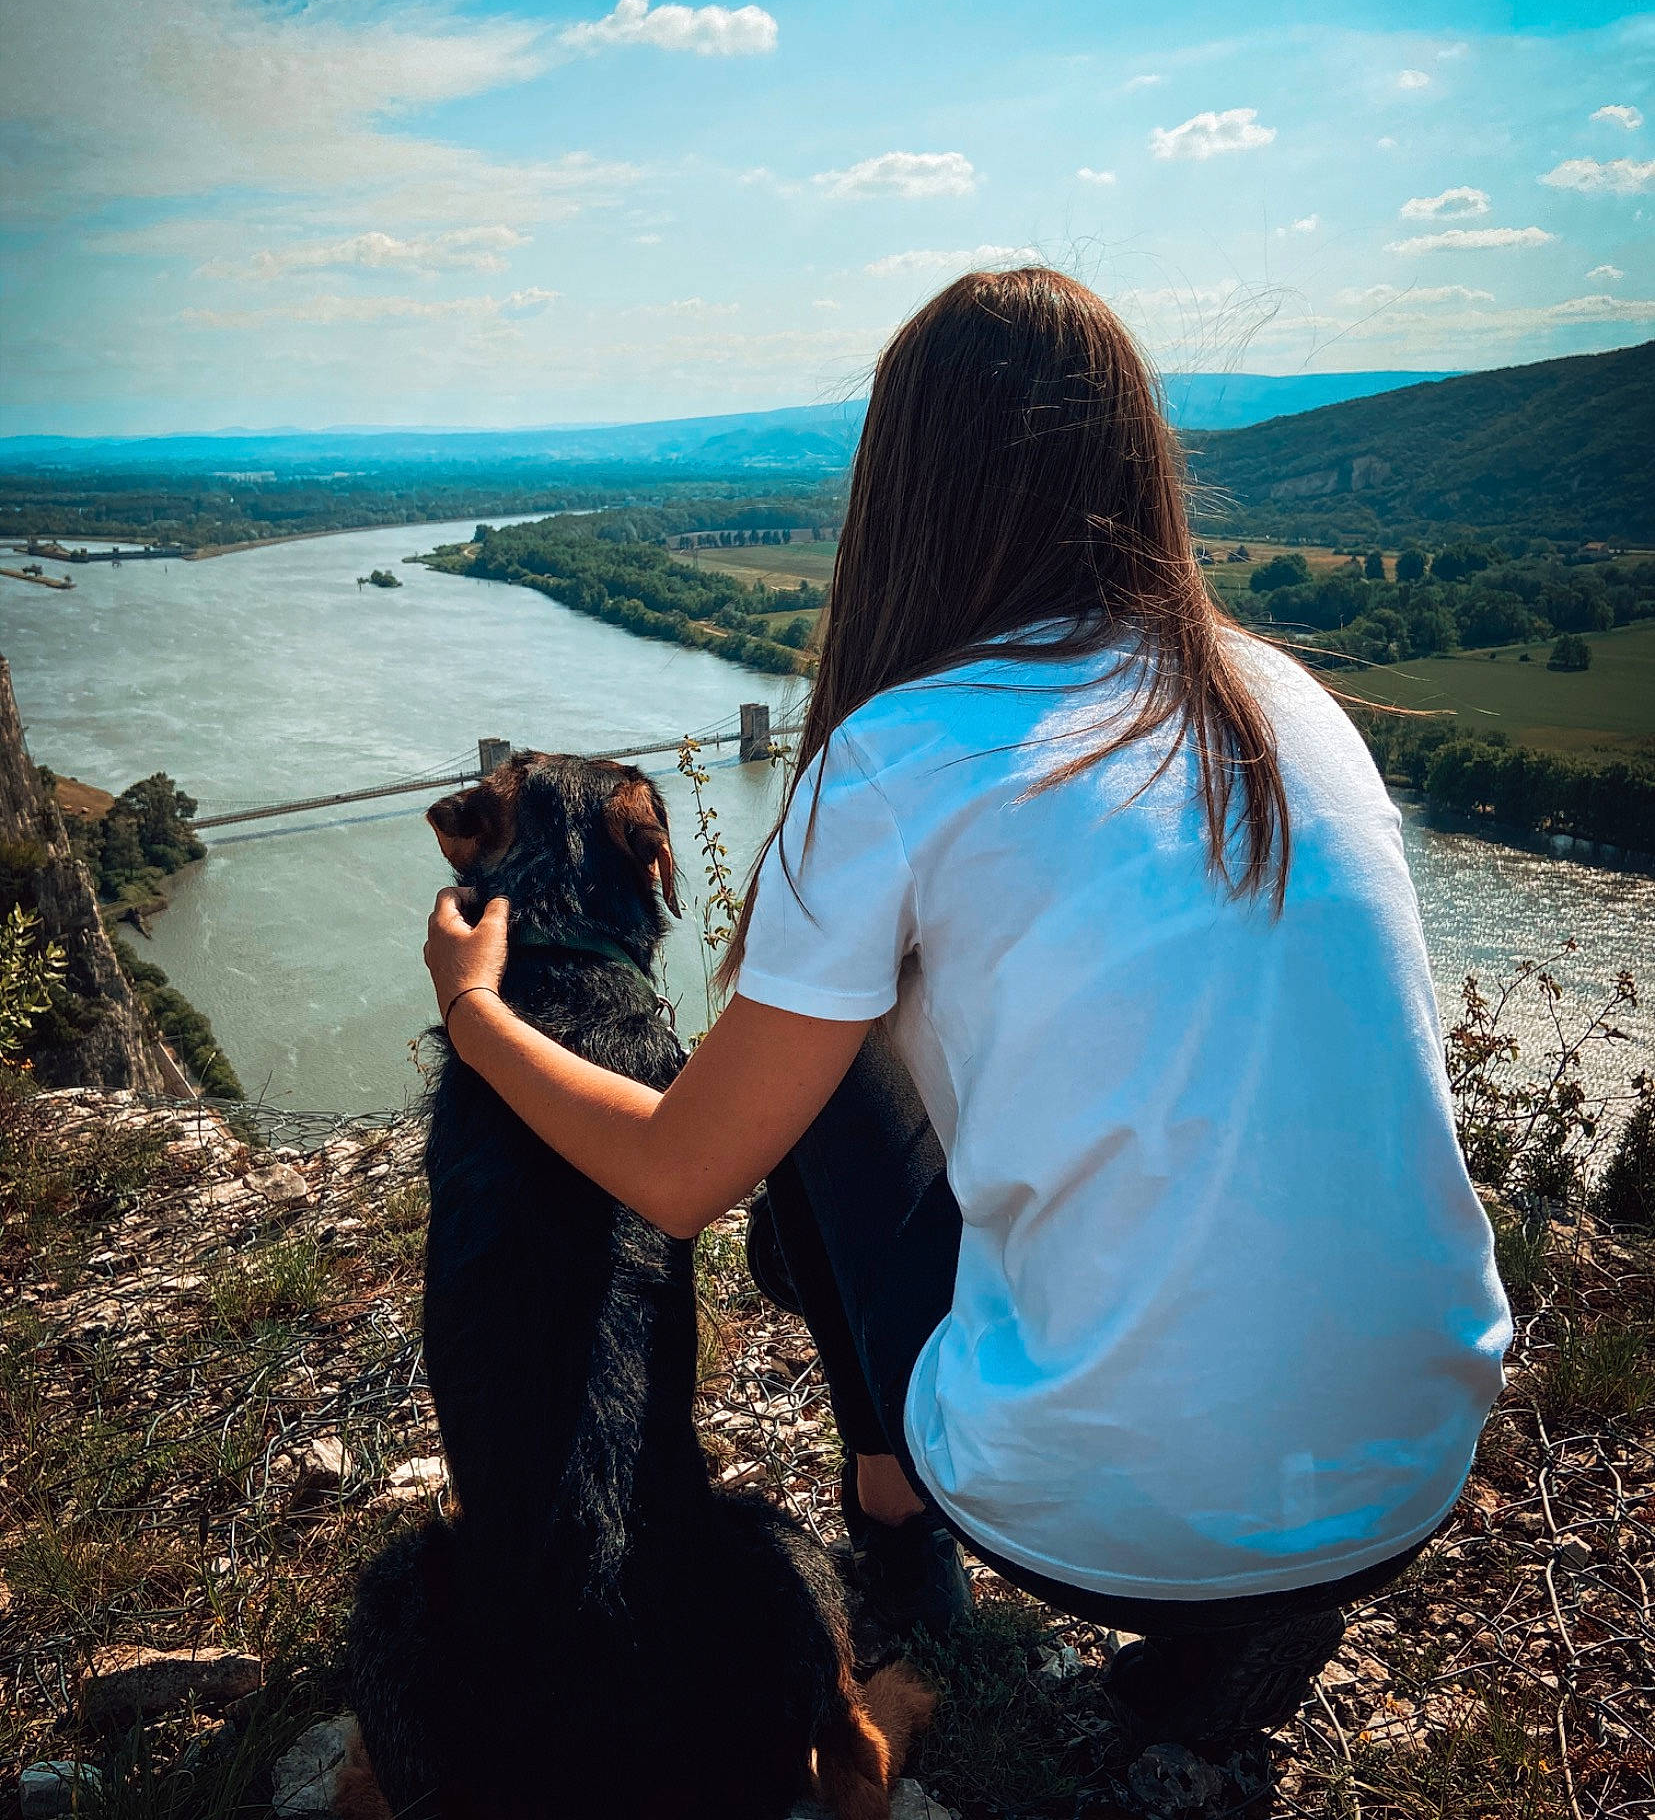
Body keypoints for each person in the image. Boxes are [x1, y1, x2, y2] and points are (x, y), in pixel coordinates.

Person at [424, 268, 1511, 1745]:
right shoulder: (1287, 699)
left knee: (801, 1068)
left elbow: (679, 1176)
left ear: (903, 490)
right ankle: (1234, 1635)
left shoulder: (896, 753)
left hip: (1097, 1512)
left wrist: (480, 1013)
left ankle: (898, 1533)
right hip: (1408, 1466)